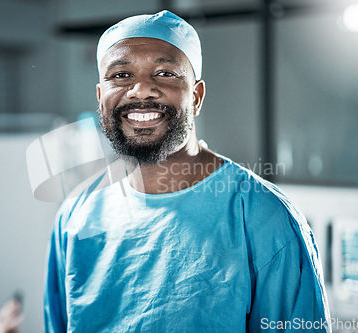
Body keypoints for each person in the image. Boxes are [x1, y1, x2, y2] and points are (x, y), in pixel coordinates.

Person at [44, 10, 331, 333]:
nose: (141, 90)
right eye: (121, 75)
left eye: (165, 73)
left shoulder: (263, 219)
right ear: (101, 97)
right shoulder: (77, 216)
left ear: (196, 97)